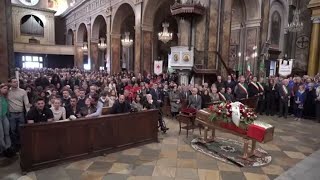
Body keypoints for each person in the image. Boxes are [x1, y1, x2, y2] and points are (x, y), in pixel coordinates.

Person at [7, 78, 30, 152]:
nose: (16, 83)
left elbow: (26, 103)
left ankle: (22, 145)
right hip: (11, 113)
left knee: (21, 130)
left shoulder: (22, 91)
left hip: (20, 113)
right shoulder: (7, 91)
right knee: (12, 130)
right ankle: (15, 145)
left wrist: (28, 113)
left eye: (17, 82)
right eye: (14, 82)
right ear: (10, 83)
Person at [0, 83, 13, 157]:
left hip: (4, 116)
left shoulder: (5, 97)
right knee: (1, 135)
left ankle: (8, 147)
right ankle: (3, 149)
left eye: (7, 89)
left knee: (7, 133)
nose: (6, 90)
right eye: (4, 88)